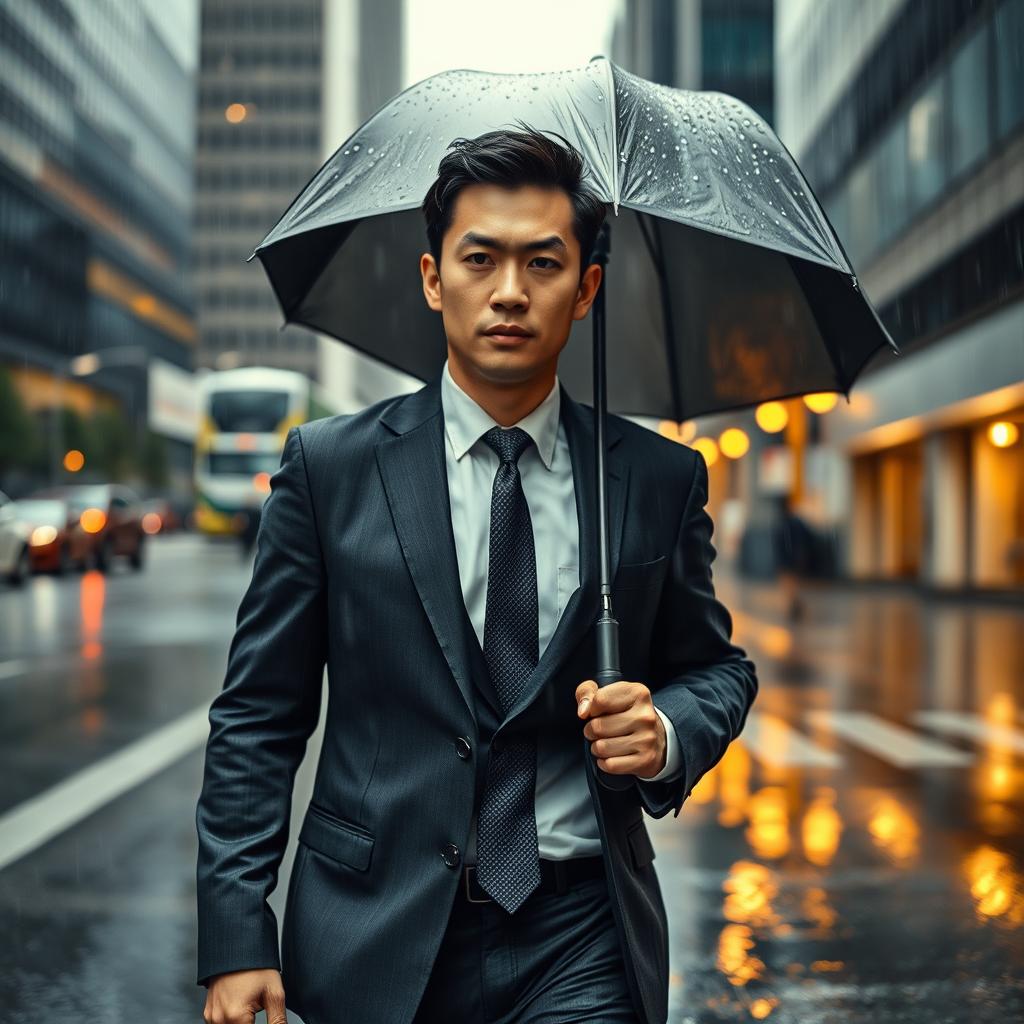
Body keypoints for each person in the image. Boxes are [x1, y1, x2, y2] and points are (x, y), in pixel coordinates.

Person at [196, 125, 758, 1024]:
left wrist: (664, 726)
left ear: (587, 289)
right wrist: (235, 936)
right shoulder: (330, 468)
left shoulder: (654, 480)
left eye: (543, 264)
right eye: (479, 259)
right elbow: (259, 716)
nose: (508, 292)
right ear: (432, 278)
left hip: (580, 931)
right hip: (375, 924)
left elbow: (719, 668)